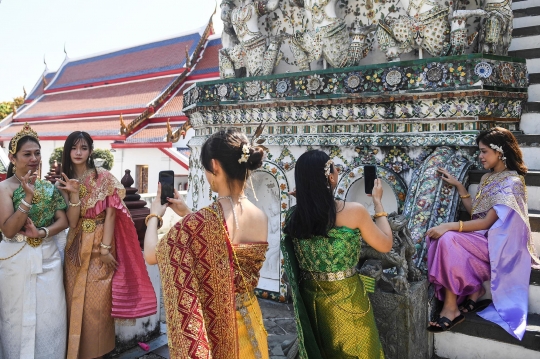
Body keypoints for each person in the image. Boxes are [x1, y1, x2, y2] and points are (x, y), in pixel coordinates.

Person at [144, 129, 269, 359]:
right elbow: (221, 244)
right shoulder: (260, 216)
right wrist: (187, 214)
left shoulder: (200, 223)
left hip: (217, 330)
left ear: (214, 166)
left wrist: (154, 216)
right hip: (252, 326)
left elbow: (152, 254)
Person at [426, 127, 539, 339]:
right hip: (483, 239)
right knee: (443, 238)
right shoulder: (488, 177)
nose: (480, 156)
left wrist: (448, 225)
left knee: (448, 238)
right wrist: (460, 187)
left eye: (484, 151)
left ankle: (451, 307)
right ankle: (473, 292)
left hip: (499, 247)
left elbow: (487, 222)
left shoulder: (512, 182)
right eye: (480, 151)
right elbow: (477, 216)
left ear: (500, 152)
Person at [281, 150, 393, 359]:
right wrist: (378, 204)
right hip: (347, 298)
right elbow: (386, 244)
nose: (337, 171)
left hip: (311, 301)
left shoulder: (294, 216)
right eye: (333, 167)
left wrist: (307, 197)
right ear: (330, 177)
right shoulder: (354, 211)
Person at [62, 131, 157, 359]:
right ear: (67, 151)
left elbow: (111, 214)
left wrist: (105, 248)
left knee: (97, 305)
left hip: (100, 241)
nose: (78, 153)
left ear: (90, 151)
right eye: (74, 148)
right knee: (73, 300)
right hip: (75, 245)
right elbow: (72, 221)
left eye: (83, 148)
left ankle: (97, 353)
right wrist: (73, 194)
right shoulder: (65, 180)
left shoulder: (102, 177)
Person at [0, 123, 74, 359]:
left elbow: (63, 221)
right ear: (12, 157)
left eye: (37, 153)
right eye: (26, 154)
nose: (34, 159)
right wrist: (28, 197)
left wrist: (41, 233)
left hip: (48, 259)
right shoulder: (5, 188)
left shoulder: (49, 188)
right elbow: (9, 230)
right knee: (15, 317)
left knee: (50, 316)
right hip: (15, 260)